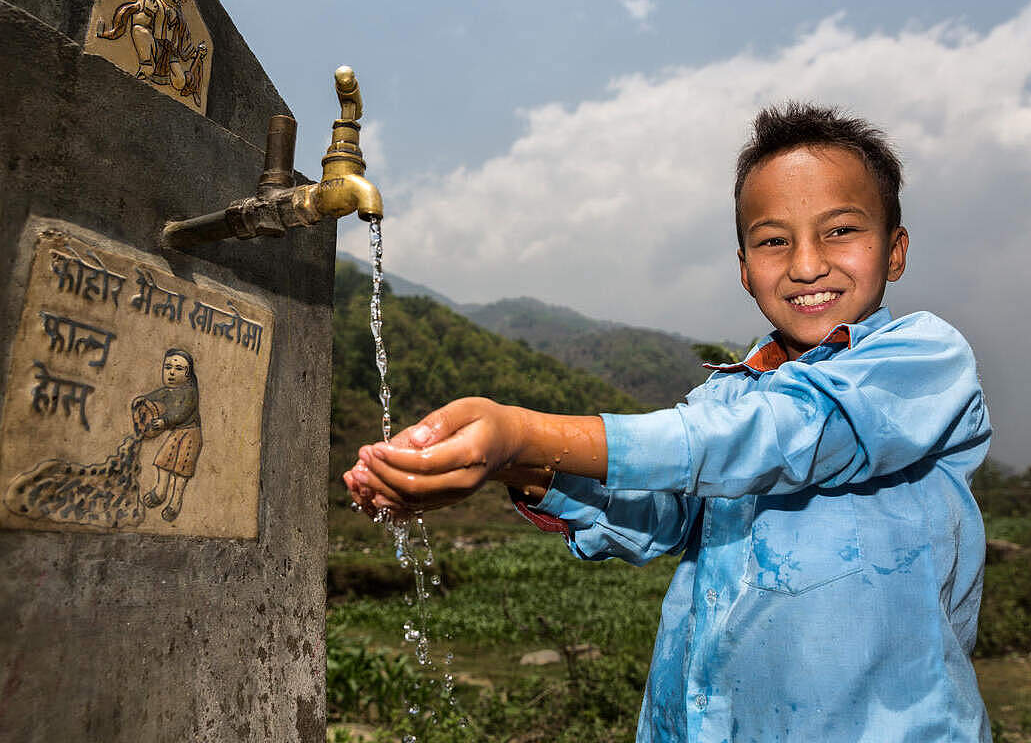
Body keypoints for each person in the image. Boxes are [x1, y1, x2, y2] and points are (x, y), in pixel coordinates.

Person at [343, 103, 992, 742]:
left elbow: (776, 437)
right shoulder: (721, 398)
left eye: (840, 230)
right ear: (744, 269)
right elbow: (656, 516)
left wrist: (523, 430)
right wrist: (504, 466)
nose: (805, 264)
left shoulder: (921, 361)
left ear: (896, 250)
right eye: (773, 240)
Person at [134, 348, 202, 522]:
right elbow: (152, 397)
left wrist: (165, 421)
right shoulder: (167, 390)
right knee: (163, 461)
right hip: (177, 433)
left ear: (188, 374)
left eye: (179, 369)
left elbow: (182, 412)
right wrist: (142, 401)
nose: (172, 372)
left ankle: (175, 502)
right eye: (168, 367)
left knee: (181, 470)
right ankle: (160, 491)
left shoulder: (189, 392)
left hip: (191, 434)